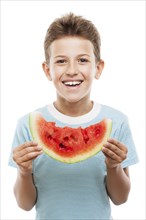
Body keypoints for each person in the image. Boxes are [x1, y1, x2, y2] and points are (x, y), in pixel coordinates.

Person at [9, 13, 138, 220]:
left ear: (98, 68)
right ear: (47, 70)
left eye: (82, 60)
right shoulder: (27, 124)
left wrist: (113, 167)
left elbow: (120, 198)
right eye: (61, 61)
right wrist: (24, 172)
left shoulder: (116, 122)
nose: (71, 70)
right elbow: (24, 204)